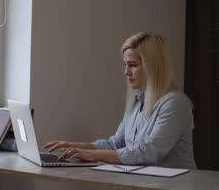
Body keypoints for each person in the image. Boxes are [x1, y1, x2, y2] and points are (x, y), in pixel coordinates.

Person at [43, 32, 197, 169]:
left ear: (153, 67)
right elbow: (116, 144)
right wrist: (76, 146)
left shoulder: (175, 103)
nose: (126, 72)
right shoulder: (137, 103)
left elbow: (149, 152)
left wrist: (93, 155)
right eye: (125, 65)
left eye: (133, 65)